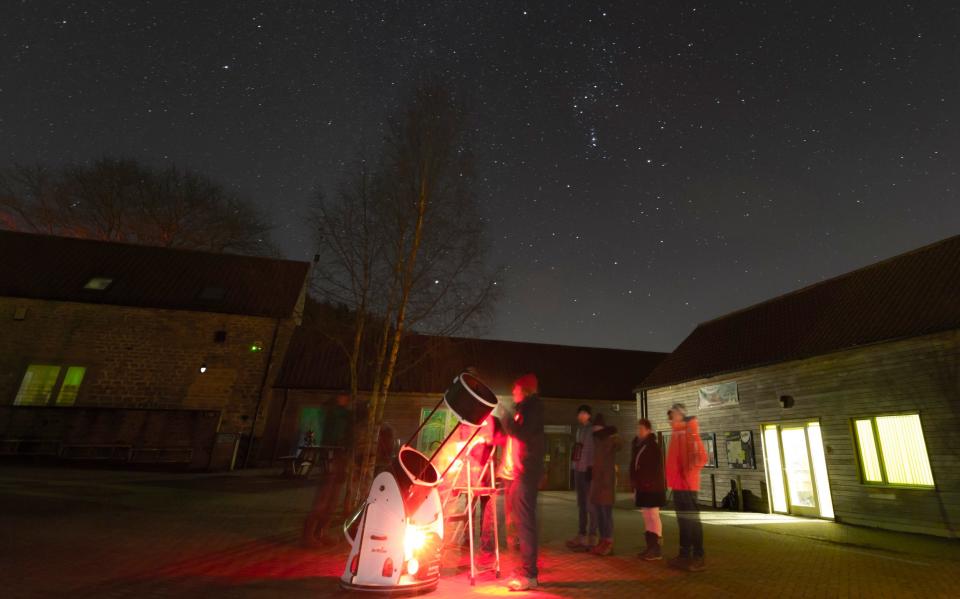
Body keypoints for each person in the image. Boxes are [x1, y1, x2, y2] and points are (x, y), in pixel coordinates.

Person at [502, 373, 545, 592]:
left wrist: (506, 418)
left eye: (516, 389)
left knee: (525, 524)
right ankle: (523, 570)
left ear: (525, 390)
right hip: (517, 474)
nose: (512, 392)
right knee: (517, 525)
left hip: (526, 474)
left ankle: (530, 575)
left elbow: (522, 434)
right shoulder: (523, 410)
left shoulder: (533, 409)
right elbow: (511, 435)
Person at [302, 393, 353, 547]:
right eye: (344, 397)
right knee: (324, 498)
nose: (346, 400)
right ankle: (308, 535)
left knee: (333, 499)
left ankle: (321, 532)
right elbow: (339, 423)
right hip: (331, 455)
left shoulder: (343, 414)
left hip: (341, 456)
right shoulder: (333, 413)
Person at [665, 403, 707, 572]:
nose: (670, 417)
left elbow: (701, 456)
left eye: (673, 413)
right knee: (683, 520)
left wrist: (688, 475)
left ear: (680, 414)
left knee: (692, 520)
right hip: (678, 484)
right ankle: (684, 555)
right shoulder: (677, 432)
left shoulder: (689, 430)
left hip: (687, 485)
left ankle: (699, 556)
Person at [631, 418, 666, 560]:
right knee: (647, 516)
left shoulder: (652, 446)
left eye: (642, 428)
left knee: (653, 515)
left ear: (648, 430)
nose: (639, 431)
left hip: (652, 488)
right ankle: (650, 546)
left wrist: (647, 483)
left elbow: (654, 468)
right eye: (638, 428)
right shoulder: (639, 446)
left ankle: (656, 548)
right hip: (643, 488)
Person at [588, 413, 621, 556]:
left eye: (596, 427)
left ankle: (608, 542)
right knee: (600, 514)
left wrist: (612, 434)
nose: (594, 430)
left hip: (605, 485)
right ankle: (603, 541)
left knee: (606, 514)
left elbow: (619, 444)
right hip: (598, 484)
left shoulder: (608, 441)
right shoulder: (598, 442)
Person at [566, 404, 597, 551]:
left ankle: (592, 536)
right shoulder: (579, 430)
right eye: (579, 413)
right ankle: (582, 534)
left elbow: (592, 451)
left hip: (587, 471)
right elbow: (578, 450)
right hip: (579, 469)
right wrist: (574, 467)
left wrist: (591, 469)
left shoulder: (592, 430)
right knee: (581, 504)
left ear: (588, 415)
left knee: (590, 505)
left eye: (583, 413)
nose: (580, 416)